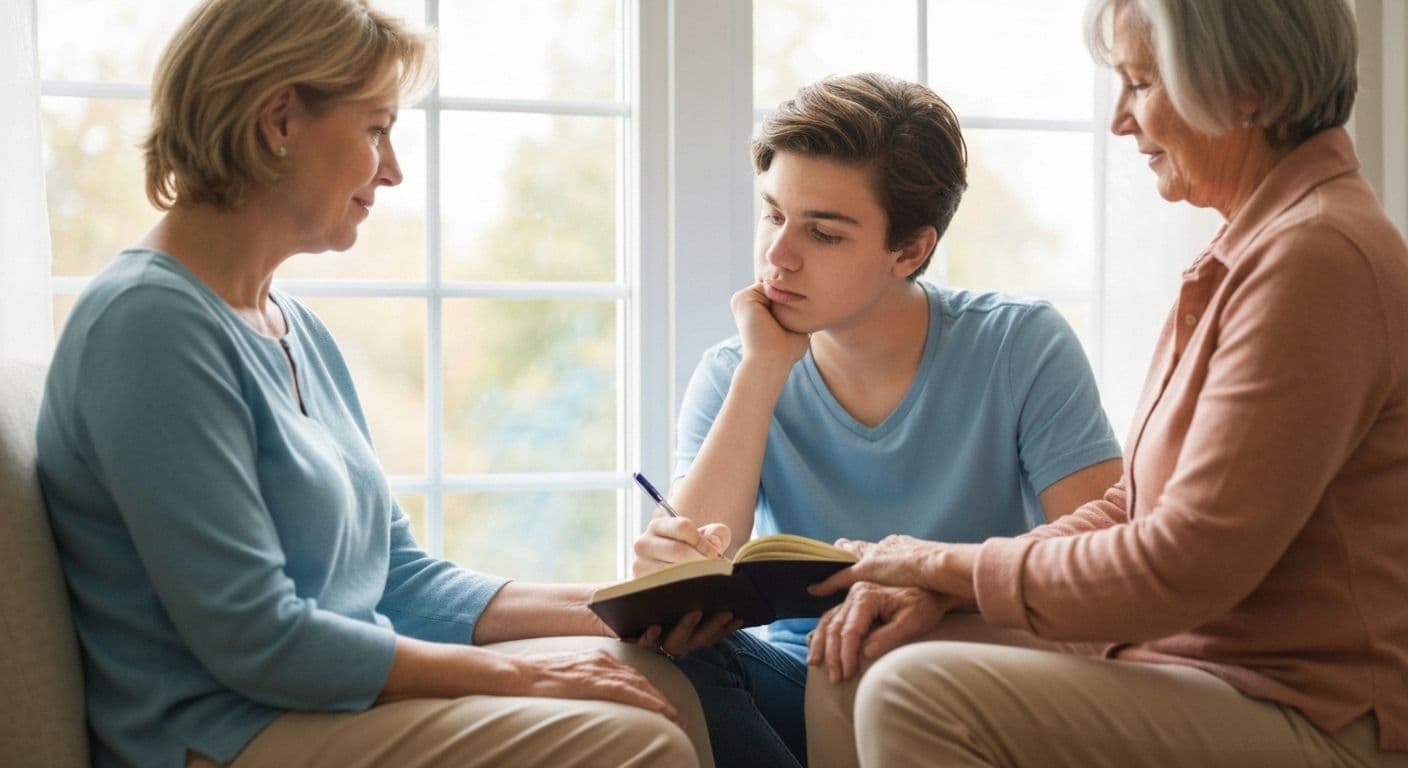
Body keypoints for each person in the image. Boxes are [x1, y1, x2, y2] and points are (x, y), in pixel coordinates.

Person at [34, 2, 728, 766]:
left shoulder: (289, 324)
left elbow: (398, 577)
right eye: (375, 129)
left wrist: (616, 615)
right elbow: (256, 640)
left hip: (306, 707)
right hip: (221, 733)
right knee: (626, 737)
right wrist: (522, 673)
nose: (392, 168)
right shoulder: (149, 326)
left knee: (649, 674)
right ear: (279, 120)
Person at [803, 1, 1408, 766]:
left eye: (1142, 84)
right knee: (856, 656)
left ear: (1248, 88)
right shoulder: (1252, 248)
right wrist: (945, 588)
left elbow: (1180, 564)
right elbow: (1133, 505)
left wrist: (942, 566)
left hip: (1315, 712)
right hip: (1199, 666)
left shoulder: (1317, 256)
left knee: (912, 689)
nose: (1121, 120)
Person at [632, 73, 1124, 767]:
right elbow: (689, 579)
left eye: (822, 233)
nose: (778, 256)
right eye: (773, 215)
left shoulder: (1021, 346)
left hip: (972, 673)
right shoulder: (736, 369)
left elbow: (1105, 577)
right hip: (807, 679)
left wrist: (939, 593)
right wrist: (764, 370)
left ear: (910, 251)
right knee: (673, 657)